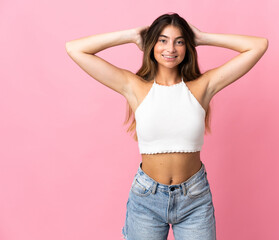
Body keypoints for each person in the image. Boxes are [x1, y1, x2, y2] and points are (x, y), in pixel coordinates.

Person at [66, 12, 268, 240]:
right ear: (151, 44)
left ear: (187, 47)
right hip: (146, 199)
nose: (170, 48)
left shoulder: (202, 87)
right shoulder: (134, 87)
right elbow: (75, 49)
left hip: (194, 199)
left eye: (179, 41)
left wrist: (202, 37)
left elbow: (258, 46)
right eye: (162, 40)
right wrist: (131, 35)